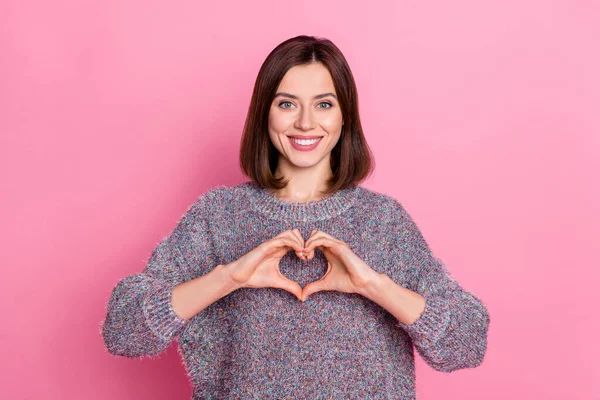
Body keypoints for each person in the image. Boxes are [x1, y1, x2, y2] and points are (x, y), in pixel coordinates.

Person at [101, 35, 490, 399]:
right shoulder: (217, 216)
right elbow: (123, 331)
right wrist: (228, 279)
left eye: (324, 104)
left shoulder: (383, 221)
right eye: (287, 103)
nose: (305, 122)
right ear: (264, 113)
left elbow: (467, 343)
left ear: (345, 116)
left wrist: (374, 286)